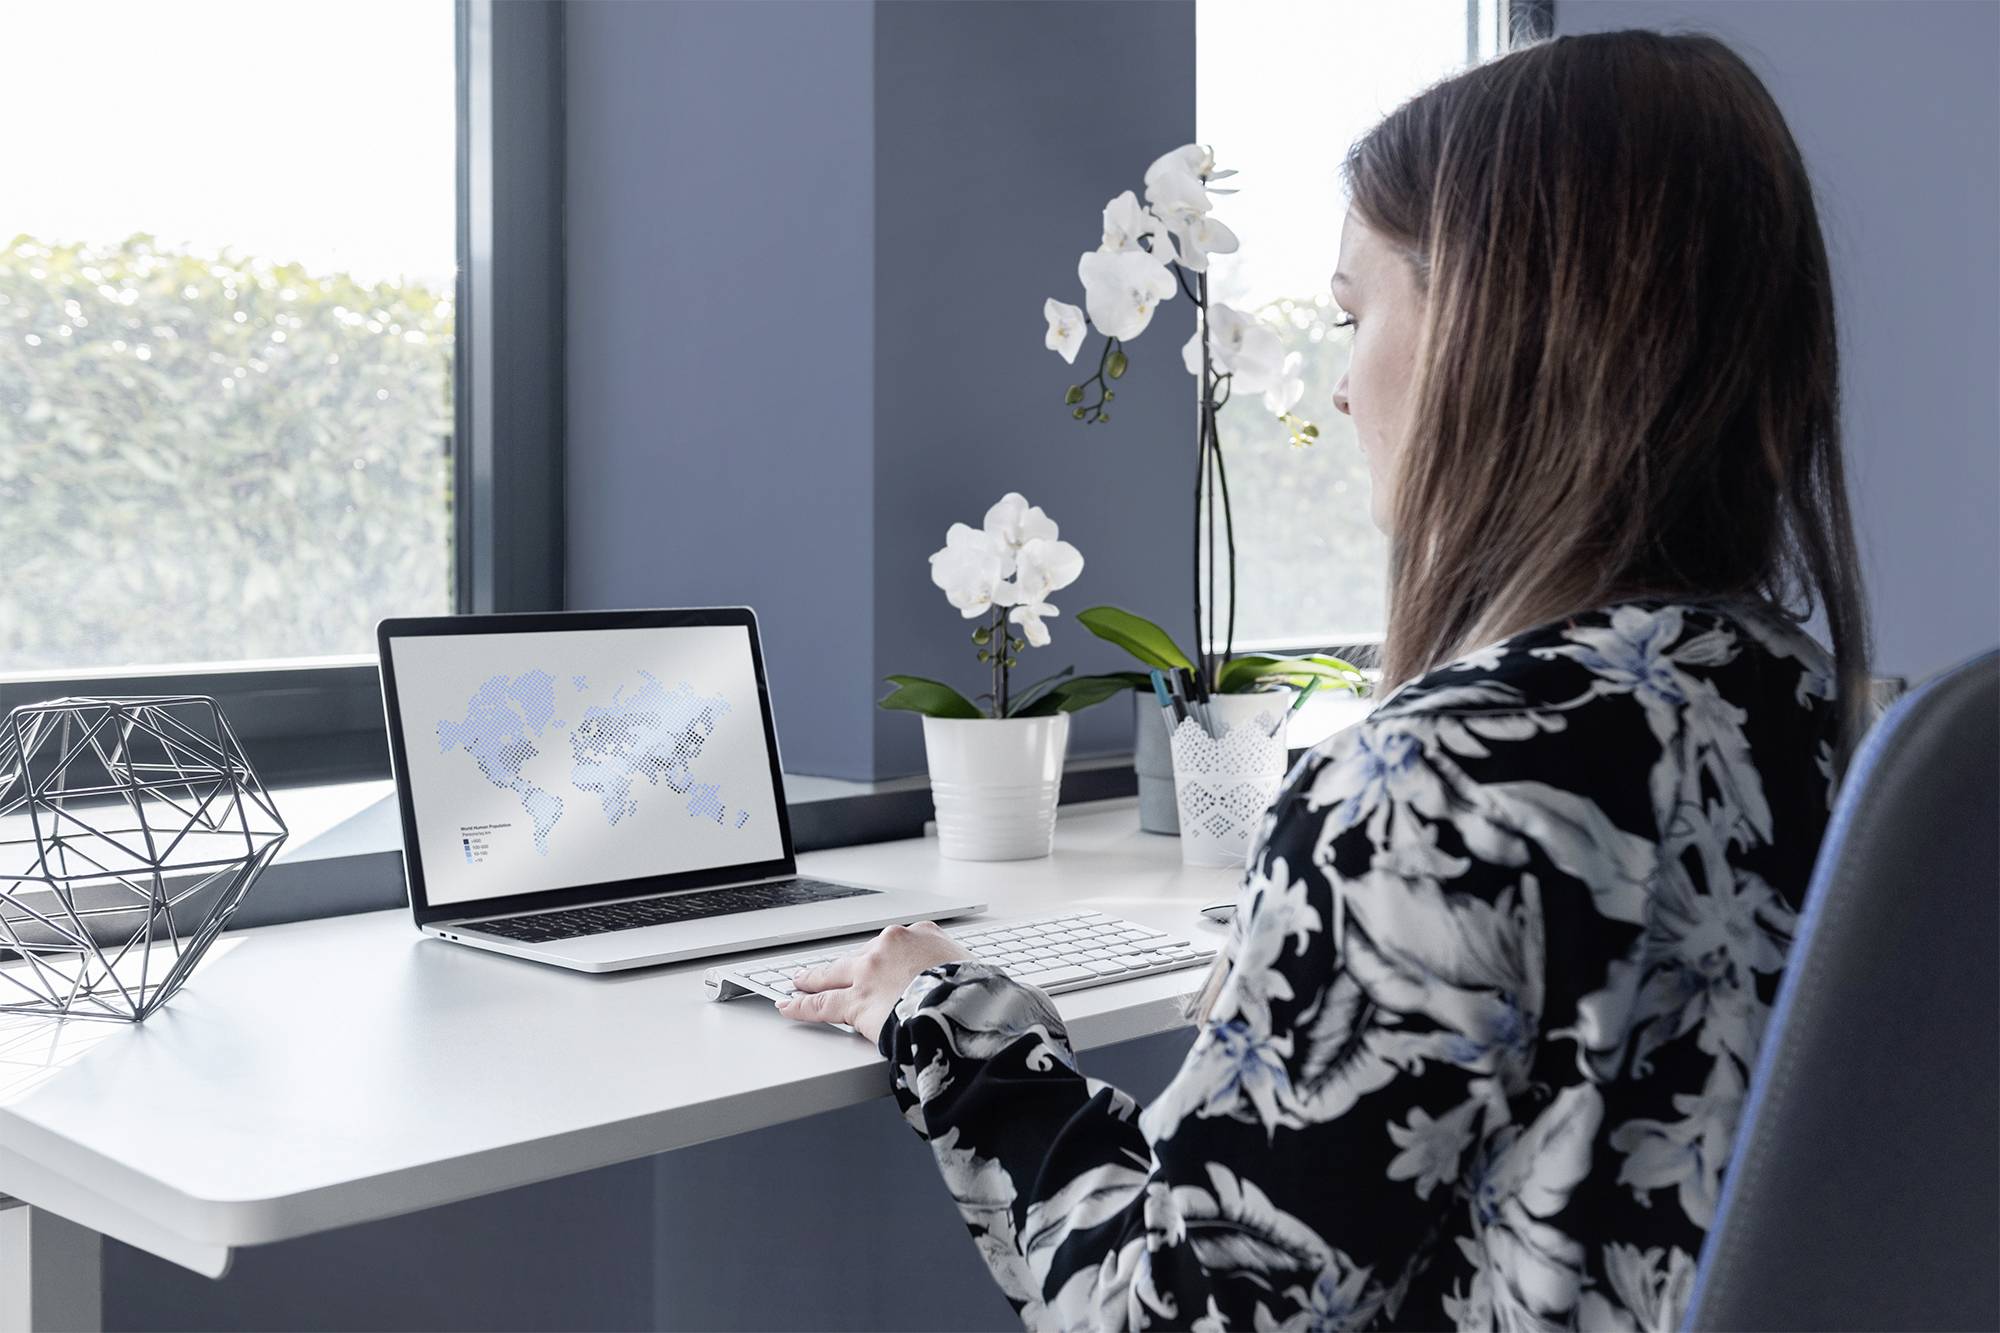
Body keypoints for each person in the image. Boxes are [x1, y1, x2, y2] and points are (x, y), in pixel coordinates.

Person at [779, 28, 1870, 1331]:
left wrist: (953, 1027)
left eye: (1355, 318)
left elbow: (1164, 1313)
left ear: (1493, 335)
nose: (1342, 390)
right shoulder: (1827, 719)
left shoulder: (1430, 787)